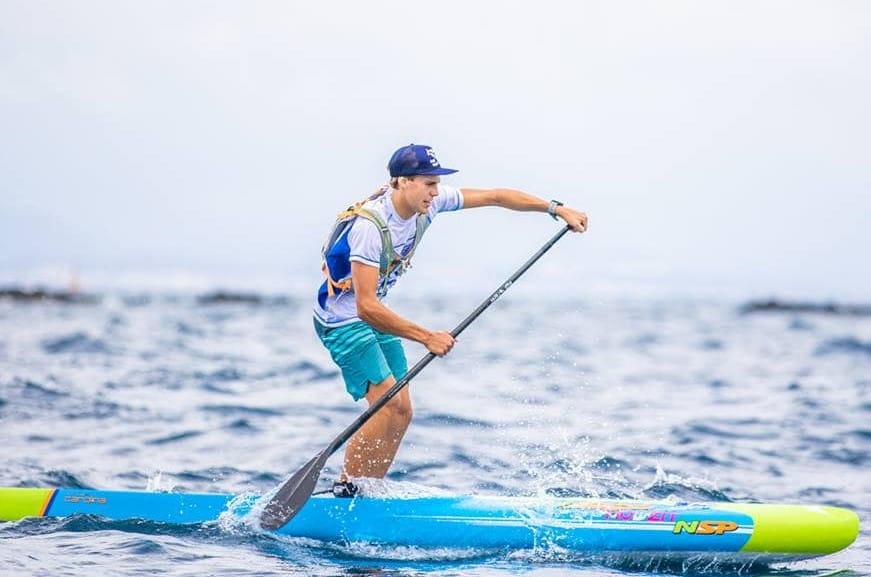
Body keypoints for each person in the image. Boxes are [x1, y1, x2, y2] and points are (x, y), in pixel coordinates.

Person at [313, 143, 587, 496]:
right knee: (385, 406)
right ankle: (346, 491)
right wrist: (426, 336)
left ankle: (367, 492)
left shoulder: (431, 203)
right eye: (428, 183)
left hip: (373, 317)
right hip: (343, 323)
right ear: (402, 182)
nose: (435, 191)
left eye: (436, 183)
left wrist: (555, 208)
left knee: (402, 411)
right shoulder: (370, 227)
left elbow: (495, 196)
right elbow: (365, 307)